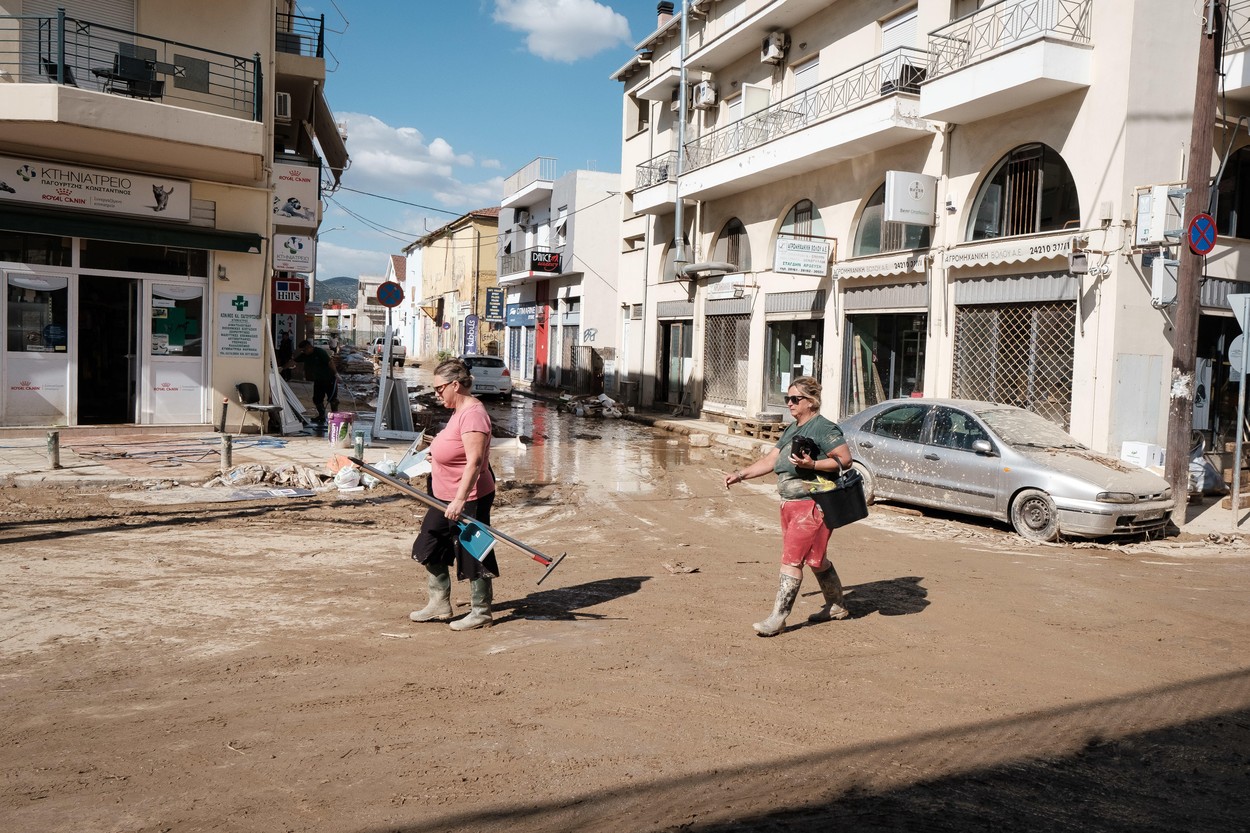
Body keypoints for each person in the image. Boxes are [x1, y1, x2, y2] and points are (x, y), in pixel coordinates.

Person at [724, 376, 854, 637]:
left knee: (791, 561)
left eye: (796, 399)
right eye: (788, 399)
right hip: (791, 505)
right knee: (816, 560)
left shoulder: (823, 428)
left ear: (811, 401)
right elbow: (772, 459)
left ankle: (778, 618)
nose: (790, 403)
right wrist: (741, 474)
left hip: (812, 505)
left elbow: (845, 460)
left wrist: (813, 465)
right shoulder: (792, 429)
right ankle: (837, 605)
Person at [409, 358, 498, 631]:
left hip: (468, 497)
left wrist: (460, 500)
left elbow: (474, 462)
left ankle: (481, 611)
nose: (437, 394)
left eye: (439, 388)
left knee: (473, 551)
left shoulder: (474, 415)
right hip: (442, 495)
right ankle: (439, 603)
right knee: (430, 542)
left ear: (455, 385)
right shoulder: (458, 411)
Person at [287, 339, 339, 423]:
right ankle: (321, 416)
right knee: (317, 399)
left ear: (309, 347)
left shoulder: (319, 352)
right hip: (318, 380)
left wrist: (336, 374)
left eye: (304, 350)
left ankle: (336, 418)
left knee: (333, 400)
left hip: (329, 379)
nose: (303, 352)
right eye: (302, 350)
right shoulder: (304, 355)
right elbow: (293, 361)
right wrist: (282, 368)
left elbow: (330, 362)